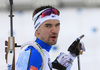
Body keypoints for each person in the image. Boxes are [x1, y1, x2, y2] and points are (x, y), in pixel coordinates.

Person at [16, 5, 85, 70]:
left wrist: (71, 56)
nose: (54, 30)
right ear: (37, 30)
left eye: (57, 25)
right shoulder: (36, 54)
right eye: (48, 26)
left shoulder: (41, 52)